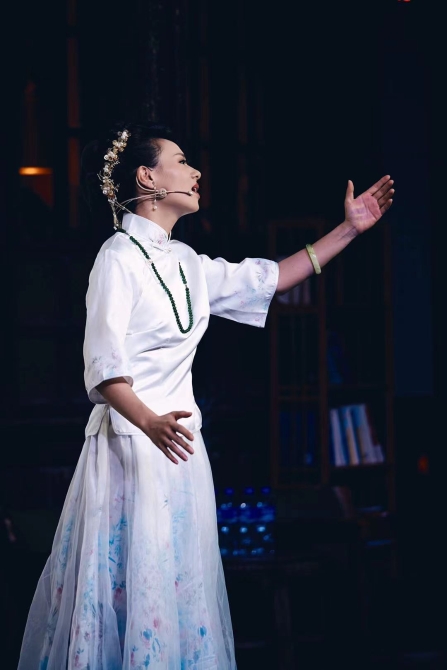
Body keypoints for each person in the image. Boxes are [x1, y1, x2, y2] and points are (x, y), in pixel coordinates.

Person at [17, 121, 394, 670]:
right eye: (181, 161)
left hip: (181, 453)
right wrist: (149, 422)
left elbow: (271, 278)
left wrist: (349, 230)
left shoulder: (187, 262)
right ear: (147, 178)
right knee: (129, 593)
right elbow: (103, 366)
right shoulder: (117, 256)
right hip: (132, 448)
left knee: (179, 591)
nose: (195, 172)